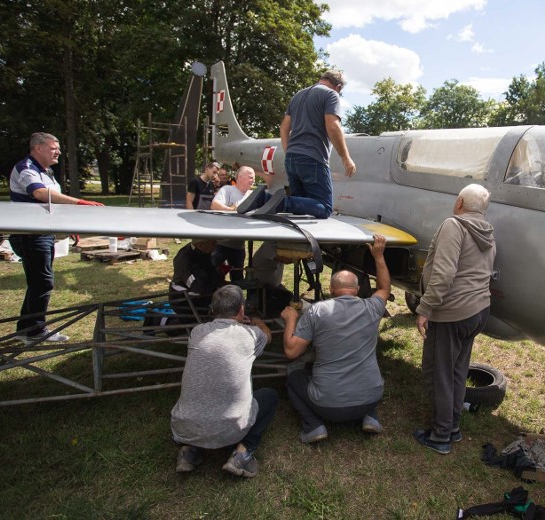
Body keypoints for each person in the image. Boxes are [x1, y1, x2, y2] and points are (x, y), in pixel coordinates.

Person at [280, 234, 390, 443]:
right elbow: (384, 288)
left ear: (331, 290)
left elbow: (291, 351)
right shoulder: (372, 308)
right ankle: (370, 417)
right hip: (371, 398)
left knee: (294, 377)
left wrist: (291, 319)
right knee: (366, 373)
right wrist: (378, 256)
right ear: (357, 290)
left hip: (327, 406)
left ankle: (313, 426)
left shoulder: (317, 311)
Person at [413, 184, 496, 455]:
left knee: (439, 373)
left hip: (452, 312)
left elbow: (444, 273)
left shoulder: (454, 225)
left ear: (459, 202)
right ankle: (453, 428)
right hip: (478, 310)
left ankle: (440, 436)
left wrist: (425, 308)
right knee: (457, 371)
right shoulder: (487, 231)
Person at [171, 284, 277, 477]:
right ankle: (243, 454)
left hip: (184, 427)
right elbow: (268, 336)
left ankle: (190, 451)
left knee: (201, 394)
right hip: (231, 429)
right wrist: (257, 322)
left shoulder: (197, 333)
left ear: (212, 310)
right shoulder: (250, 335)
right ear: (241, 310)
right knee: (269, 396)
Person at [9, 132, 104, 344]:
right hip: (30, 234)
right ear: (38, 148)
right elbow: (40, 194)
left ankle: (25, 329)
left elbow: (51, 204)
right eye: (54, 148)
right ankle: (35, 332)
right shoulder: (27, 169)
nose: (58, 152)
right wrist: (79, 202)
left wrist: (66, 225)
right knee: (43, 283)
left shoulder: (46, 171)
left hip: (42, 232)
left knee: (38, 283)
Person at [256, 70, 356, 218]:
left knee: (300, 209)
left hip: (292, 158)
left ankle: (263, 200)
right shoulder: (330, 94)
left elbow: (284, 127)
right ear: (338, 87)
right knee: (324, 208)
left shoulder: (298, 95)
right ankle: (267, 200)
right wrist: (346, 158)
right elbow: (333, 126)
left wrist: (288, 150)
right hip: (313, 158)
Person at [209, 166, 262, 282]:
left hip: (239, 247)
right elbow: (214, 205)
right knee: (214, 275)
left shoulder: (252, 196)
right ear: (240, 177)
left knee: (237, 278)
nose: (253, 180)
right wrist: (231, 210)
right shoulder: (227, 190)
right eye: (250, 177)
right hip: (222, 243)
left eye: (254, 178)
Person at [168, 239, 222, 327]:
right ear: (201, 244)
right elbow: (197, 286)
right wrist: (215, 285)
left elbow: (210, 271)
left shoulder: (203, 251)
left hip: (199, 295)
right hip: (185, 299)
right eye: (213, 243)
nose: (216, 245)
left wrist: (219, 277)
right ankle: (160, 320)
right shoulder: (185, 259)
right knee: (192, 326)